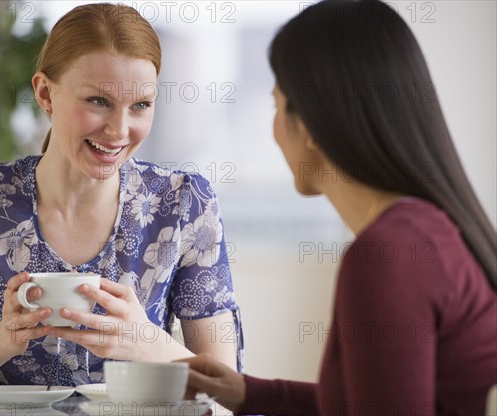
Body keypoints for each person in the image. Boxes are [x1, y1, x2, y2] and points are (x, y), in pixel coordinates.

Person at [0, 3, 243, 398]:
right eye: (98, 101)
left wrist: (145, 341)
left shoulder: (185, 205)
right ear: (45, 93)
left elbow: (226, 390)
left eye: (141, 106)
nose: (119, 130)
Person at [181, 1, 497, 415]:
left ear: (309, 123)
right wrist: (245, 392)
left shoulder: (388, 254)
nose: (273, 128)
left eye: (277, 105)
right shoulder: (424, 233)